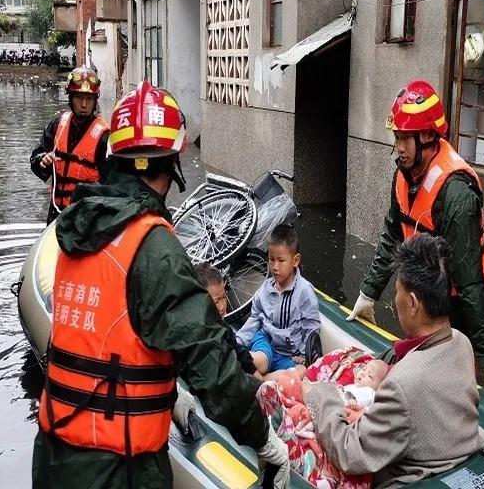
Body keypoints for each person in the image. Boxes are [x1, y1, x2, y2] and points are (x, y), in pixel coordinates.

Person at [31, 81, 290, 489]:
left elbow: (109, 343)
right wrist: (263, 439)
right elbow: (214, 368)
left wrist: (170, 399)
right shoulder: (152, 248)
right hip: (120, 470)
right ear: (170, 162)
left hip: (53, 456)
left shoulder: (78, 229)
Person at [347, 79, 484, 403]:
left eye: (405, 138)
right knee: (417, 376)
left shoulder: (455, 193)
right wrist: (368, 292)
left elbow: (470, 282)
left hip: (453, 303)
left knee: (450, 384)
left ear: (427, 136)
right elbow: (392, 236)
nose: (400, 148)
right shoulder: (403, 175)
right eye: (396, 138)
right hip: (420, 295)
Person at [304, 234, 484, 487]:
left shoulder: (401, 384)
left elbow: (349, 452)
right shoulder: (460, 343)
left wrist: (320, 394)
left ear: (412, 303)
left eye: (397, 292)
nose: (394, 300)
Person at [236, 224, 321, 375]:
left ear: (295, 260)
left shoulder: (304, 291)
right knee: (260, 363)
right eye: (271, 259)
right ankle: (241, 362)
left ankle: (264, 380)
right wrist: (238, 342)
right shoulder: (265, 289)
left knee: (301, 372)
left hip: (290, 355)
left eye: (281, 260)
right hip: (265, 342)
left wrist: (303, 354)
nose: (275, 267)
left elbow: (311, 326)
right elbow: (255, 318)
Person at [30, 67, 110, 223]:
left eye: (89, 99)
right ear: (71, 98)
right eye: (79, 98)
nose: (84, 104)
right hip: (57, 213)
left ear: (95, 101)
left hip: (88, 217)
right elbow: (36, 160)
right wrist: (42, 160)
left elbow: (113, 185)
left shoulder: (104, 137)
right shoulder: (57, 126)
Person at [195, 262, 259, 376]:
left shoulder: (222, 325)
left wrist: (258, 377)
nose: (222, 306)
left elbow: (238, 351)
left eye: (224, 297)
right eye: (216, 301)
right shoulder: (200, 335)